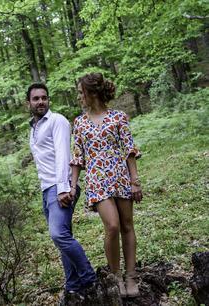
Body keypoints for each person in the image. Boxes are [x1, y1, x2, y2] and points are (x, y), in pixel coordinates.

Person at [70, 73, 142, 297]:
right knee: (112, 226)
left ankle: (131, 277)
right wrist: (72, 186)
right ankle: (116, 276)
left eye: (82, 92)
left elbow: (129, 150)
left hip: (120, 176)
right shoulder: (79, 122)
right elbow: (77, 157)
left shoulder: (118, 117)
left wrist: (135, 181)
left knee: (127, 225)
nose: (80, 97)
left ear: (92, 93)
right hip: (96, 180)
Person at [27, 83, 97, 296]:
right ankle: (73, 285)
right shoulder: (34, 127)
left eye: (44, 98)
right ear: (28, 103)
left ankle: (89, 278)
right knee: (63, 238)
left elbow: (63, 155)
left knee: (59, 235)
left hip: (60, 187)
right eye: (36, 98)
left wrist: (64, 188)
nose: (41, 101)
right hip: (46, 189)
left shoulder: (57, 121)